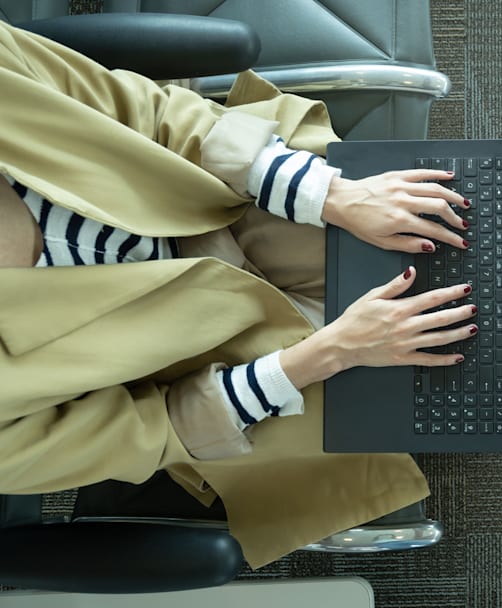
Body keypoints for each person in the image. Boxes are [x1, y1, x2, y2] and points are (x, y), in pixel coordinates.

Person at [0, 20, 471, 568]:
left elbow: (151, 117)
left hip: (214, 198)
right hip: (204, 355)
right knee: (454, 367)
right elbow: (161, 427)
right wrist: (331, 353)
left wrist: (331, 194)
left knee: (459, 221)